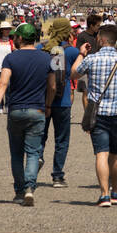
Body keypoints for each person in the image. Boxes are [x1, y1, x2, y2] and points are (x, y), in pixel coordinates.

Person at [0, 23, 55, 206]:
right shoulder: (47, 58)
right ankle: (30, 187)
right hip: (37, 109)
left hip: (15, 110)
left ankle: (19, 191)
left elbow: (2, 83)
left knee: (16, 154)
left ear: (20, 39)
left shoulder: (11, 59)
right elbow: (52, 86)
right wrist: (48, 105)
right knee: (32, 152)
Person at [72, 22, 117, 207]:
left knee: (101, 154)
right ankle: (115, 192)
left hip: (99, 114)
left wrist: (81, 53)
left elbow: (73, 74)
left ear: (102, 39)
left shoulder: (91, 59)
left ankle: (104, 195)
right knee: (116, 153)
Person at [39, 17, 78, 189]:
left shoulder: (41, 48)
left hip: (42, 99)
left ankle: (37, 157)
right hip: (62, 101)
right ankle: (57, 176)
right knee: (61, 139)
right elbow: (80, 73)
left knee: (40, 136)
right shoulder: (72, 52)